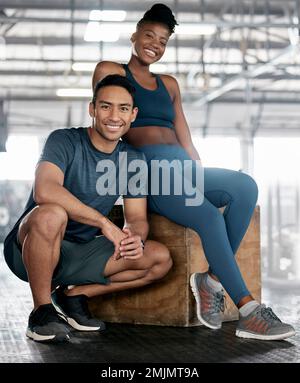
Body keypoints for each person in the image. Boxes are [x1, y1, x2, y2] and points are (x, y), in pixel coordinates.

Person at [92, 3, 295, 340]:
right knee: (210, 217)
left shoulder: (169, 84)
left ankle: (211, 280)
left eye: (162, 41)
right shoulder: (110, 70)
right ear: (133, 35)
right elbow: (106, 122)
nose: (154, 45)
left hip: (181, 168)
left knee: (244, 186)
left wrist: (195, 171)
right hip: (149, 172)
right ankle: (249, 310)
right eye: (149, 36)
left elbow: (184, 134)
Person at [3, 74, 172, 343]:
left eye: (123, 108)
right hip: (29, 250)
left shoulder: (134, 160)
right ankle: (41, 312)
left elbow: (137, 218)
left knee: (159, 258)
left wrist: (134, 238)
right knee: (52, 213)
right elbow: (45, 190)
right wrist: (104, 224)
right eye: (106, 106)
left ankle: (73, 296)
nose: (114, 116)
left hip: (79, 252)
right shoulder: (63, 140)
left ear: (133, 115)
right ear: (92, 109)